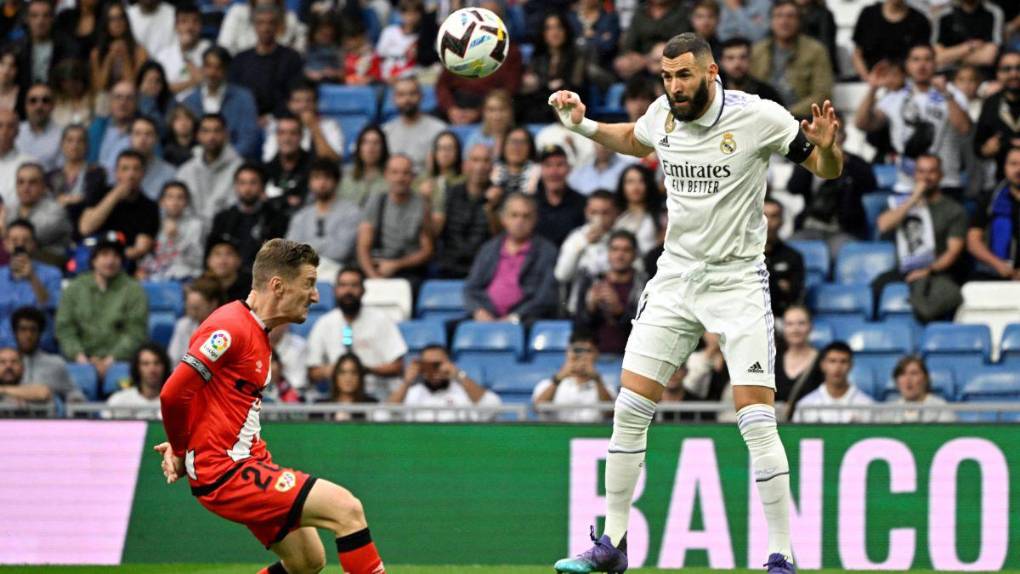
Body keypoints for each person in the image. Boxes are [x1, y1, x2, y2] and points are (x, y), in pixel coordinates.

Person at [548, 31, 843, 574]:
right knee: (629, 410)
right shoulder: (663, 112)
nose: (674, 87)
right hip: (676, 278)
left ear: (712, 73)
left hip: (737, 282)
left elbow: (826, 170)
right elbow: (635, 141)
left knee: (757, 421)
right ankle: (612, 546)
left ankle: (781, 555)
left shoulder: (760, 118)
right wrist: (582, 125)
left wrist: (825, 146)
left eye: (684, 75)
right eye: (667, 76)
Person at [155, 239, 388, 574]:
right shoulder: (230, 328)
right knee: (346, 509)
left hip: (243, 462)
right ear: (278, 285)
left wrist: (189, 444)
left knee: (307, 561)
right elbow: (173, 394)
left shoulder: (256, 332)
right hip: (226, 471)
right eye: (308, 283)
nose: (315, 295)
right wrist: (180, 447)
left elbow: (210, 397)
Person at [855, 44, 972, 196]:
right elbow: (863, 124)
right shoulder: (895, 96)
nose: (921, 65)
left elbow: (964, 128)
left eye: (927, 59)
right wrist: (873, 88)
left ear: (935, 63)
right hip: (906, 185)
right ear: (907, 65)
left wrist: (946, 94)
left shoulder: (953, 93)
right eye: (915, 60)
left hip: (946, 183)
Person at [872, 154, 967, 321]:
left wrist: (928, 270)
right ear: (914, 175)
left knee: (935, 300)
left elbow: (953, 252)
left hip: (936, 271)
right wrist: (914, 198)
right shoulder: (901, 203)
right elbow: (883, 225)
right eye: (921, 172)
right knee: (876, 287)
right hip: (904, 269)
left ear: (941, 175)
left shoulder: (953, 209)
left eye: (932, 172)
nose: (926, 177)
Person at [56, 234, 148, 379]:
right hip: (80, 360)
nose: (110, 261)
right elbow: (64, 328)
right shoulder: (75, 287)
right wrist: (81, 358)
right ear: (94, 259)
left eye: (116, 256)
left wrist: (110, 360)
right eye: (104, 255)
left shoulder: (133, 289)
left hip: (120, 362)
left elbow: (135, 332)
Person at [306, 267, 407, 397]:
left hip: (377, 397)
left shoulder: (381, 320)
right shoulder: (324, 323)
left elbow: (398, 367)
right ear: (335, 291)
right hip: (338, 399)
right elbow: (312, 372)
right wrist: (336, 371)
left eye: (354, 285)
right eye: (343, 285)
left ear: (363, 290)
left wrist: (366, 369)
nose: (348, 291)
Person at [464, 193, 559, 324]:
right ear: (504, 219)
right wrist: (478, 311)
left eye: (526, 216)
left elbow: (545, 296)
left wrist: (514, 318)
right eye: (514, 215)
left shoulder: (547, 251)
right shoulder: (489, 249)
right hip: (485, 317)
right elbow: (471, 288)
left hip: (525, 321)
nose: (519, 221)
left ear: (535, 220)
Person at [788, 121, 875, 251]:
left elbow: (871, 185)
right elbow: (793, 187)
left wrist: (844, 160)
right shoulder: (807, 161)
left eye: (833, 133)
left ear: (844, 136)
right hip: (810, 227)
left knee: (845, 254)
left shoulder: (855, 162)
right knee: (793, 251)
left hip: (843, 231)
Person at [355, 155, 434, 285]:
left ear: (413, 177)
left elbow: (427, 251)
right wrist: (374, 277)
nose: (400, 178)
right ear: (386, 175)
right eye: (395, 172)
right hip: (376, 266)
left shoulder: (421, 205)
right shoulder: (376, 201)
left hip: (408, 269)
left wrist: (396, 265)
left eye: (405, 173)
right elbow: (363, 247)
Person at [749, 0, 833, 118]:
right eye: (779, 16)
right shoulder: (757, 51)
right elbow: (748, 89)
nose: (784, 21)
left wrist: (786, 114)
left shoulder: (816, 50)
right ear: (771, 21)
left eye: (790, 16)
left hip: (800, 118)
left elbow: (822, 94)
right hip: (762, 118)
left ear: (799, 21)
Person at [433, 144, 501, 279]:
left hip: (486, 270)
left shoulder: (501, 195)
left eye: (486, 161)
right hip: (449, 267)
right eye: (475, 160)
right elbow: (435, 234)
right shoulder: (449, 193)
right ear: (465, 165)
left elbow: (503, 239)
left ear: (492, 167)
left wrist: (491, 209)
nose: (480, 166)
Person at [574, 230, 647, 356]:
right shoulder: (591, 282)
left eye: (626, 250)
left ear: (635, 254)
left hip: (631, 358)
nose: (620, 255)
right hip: (594, 358)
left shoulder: (645, 286)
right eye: (615, 249)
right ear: (608, 253)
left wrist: (620, 312)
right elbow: (578, 329)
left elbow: (646, 332)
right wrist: (590, 310)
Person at [80, 150, 160, 263]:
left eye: (136, 169)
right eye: (125, 169)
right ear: (116, 173)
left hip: (125, 262)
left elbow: (141, 247)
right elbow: (85, 228)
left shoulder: (150, 206)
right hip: (94, 256)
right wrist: (115, 196)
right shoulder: (100, 193)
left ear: (143, 173)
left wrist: (117, 256)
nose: (130, 175)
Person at [180, 47, 260, 160]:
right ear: (202, 68)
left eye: (218, 68)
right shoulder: (189, 101)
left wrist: (226, 159)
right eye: (208, 66)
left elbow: (249, 137)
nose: (212, 73)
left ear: (226, 70)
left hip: (234, 161)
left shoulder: (243, 98)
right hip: (197, 163)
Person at [388, 343, 502, 422]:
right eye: (428, 365)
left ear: (449, 363)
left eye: (437, 365)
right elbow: (385, 414)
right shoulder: (411, 393)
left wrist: (458, 375)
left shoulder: (463, 391)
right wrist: (407, 382)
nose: (434, 370)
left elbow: (493, 406)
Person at [228, 4, 304, 118]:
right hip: (246, 119)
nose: (266, 28)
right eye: (260, 23)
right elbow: (234, 95)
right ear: (254, 26)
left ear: (278, 26)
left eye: (271, 23)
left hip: (282, 120)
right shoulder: (240, 60)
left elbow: (294, 95)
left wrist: (271, 117)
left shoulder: (292, 58)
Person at [286, 158, 362, 269]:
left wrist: (306, 246)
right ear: (309, 182)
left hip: (339, 272)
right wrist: (326, 243)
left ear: (336, 181)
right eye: (316, 177)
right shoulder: (301, 216)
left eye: (327, 177)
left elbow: (341, 251)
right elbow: (290, 252)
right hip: (304, 273)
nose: (322, 183)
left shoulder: (351, 212)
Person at [208, 163, 289, 268]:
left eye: (253, 183)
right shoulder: (222, 218)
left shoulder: (277, 219)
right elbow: (210, 255)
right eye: (242, 183)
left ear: (262, 186)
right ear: (235, 186)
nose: (247, 188)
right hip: (228, 277)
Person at [555, 190, 622, 312]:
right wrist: (583, 243)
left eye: (605, 213)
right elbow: (562, 275)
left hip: (615, 307)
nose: (599, 218)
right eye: (594, 212)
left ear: (615, 213)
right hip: (580, 310)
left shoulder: (623, 238)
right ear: (586, 212)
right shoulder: (576, 237)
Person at [520, 12, 588, 125]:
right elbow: (529, 87)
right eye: (549, 28)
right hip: (539, 108)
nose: (554, 32)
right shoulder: (537, 58)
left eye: (559, 27)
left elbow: (576, 85)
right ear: (543, 33)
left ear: (566, 30)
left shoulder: (577, 56)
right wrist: (548, 86)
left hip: (568, 109)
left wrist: (544, 86)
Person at [0, 220, 62, 342]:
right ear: (5, 244)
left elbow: (52, 307)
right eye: (14, 240)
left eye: (25, 240)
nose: (20, 245)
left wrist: (32, 278)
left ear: (33, 244)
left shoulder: (52, 274)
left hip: (38, 345)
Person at [176, 113, 245, 223]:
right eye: (206, 131)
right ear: (198, 135)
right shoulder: (185, 171)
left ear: (225, 134)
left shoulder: (240, 169)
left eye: (217, 131)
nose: (211, 137)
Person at [533, 330, 615, 422]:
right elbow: (538, 409)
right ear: (567, 352)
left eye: (588, 351)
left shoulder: (607, 388)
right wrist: (559, 378)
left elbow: (610, 413)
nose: (582, 356)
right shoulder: (546, 384)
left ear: (596, 354)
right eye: (577, 350)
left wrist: (597, 379)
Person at [967, 146, 1020, 281]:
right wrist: (999, 265)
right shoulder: (990, 198)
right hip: (996, 271)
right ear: (1005, 167)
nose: (1018, 169)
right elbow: (973, 241)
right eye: (1013, 164)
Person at [9, 306, 82, 404]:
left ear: (40, 333)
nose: (28, 335)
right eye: (23, 329)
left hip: (46, 416)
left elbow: (74, 393)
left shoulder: (55, 364)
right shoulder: (5, 363)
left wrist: (74, 400)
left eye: (33, 330)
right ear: (15, 333)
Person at [262, 80, 344, 164]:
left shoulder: (329, 126)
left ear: (316, 103)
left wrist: (314, 127)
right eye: (297, 101)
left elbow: (333, 161)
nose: (303, 106)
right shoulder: (279, 126)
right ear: (289, 104)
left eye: (308, 101)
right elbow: (268, 160)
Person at [139, 181, 206, 281]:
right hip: (158, 276)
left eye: (180, 198)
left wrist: (176, 237)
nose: (175, 202)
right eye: (170, 197)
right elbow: (150, 255)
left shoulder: (196, 226)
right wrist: (143, 269)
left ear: (186, 202)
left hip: (186, 276)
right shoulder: (156, 223)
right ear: (161, 202)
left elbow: (196, 261)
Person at [791, 342, 873, 423]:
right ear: (823, 365)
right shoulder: (806, 405)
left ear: (851, 366)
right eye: (832, 361)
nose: (837, 367)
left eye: (843, 361)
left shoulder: (866, 404)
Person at [6, 163, 72, 265]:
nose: (25, 188)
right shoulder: (11, 209)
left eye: (32, 183)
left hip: (49, 263)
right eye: (21, 182)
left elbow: (28, 240)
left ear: (43, 186)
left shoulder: (56, 211)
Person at [851, 0, 932, 81]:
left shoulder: (919, 21)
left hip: (905, 82)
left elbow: (922, 57)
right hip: (868, 79)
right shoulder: (868, 14)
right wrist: (868, 79)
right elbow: (857, 55)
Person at [381, 77, 447, 172]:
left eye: (412, 94)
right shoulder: (385, 131)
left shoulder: (438, 129)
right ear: (394, 99)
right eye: (401, 95)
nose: (407, 99)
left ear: (421, 96)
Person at [613, 0, 692, 80]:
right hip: (641, 59)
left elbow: (679, 42)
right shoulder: (640, 12)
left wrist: (652, 58)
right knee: (621, 63)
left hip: (668, 56)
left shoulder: (681, 12)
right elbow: (629, 43)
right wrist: (640, 58)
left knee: (661, 51)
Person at [974, 51, 1020, 181]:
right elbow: (978, 147)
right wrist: (986, 149)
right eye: (1007, 69)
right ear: (998, 74)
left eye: (1018, 68)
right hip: (1003, 182)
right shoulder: (991, 103)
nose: (1014, 74)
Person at [89, 2, 148, 97]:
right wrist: (109, 58)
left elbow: (134, 85)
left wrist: (124, 56)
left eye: (120, 18)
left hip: (131, 98)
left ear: (126, 21)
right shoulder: (96, 53)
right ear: (106, 23)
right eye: (112, 19)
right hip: (105, 98)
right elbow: (99, 88)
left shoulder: (140, 51)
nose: (117, 23)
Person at [13, 0, 75, 91]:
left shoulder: (67, 47)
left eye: (45, 16)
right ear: (27, 19)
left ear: (53, 19)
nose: (40, 21)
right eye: (34, 16)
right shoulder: (16, 48)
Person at [534, 145, 586, 247]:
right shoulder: (530, 204)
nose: (553, 172)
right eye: (548, 165)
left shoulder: (583, 203)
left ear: (569, 169)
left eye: (559, 165)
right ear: (541, 170)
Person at [774, 305, 823, 414]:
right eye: (789, 324)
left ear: (811, 327)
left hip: (812, 426)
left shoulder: (823, 361)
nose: (795, 329)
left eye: (801, 323)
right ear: (783, 328)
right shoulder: (773, 361)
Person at [155, 2, 210, 97]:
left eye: (195, 21)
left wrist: (186, 55)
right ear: (176, 26)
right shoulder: (163, 56)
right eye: (184, 22)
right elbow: (160, 89)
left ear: (201, 25)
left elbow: (207, 83)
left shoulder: (210, 49)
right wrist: (193, 82)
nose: (190, 27)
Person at [762, 198, 805, 317]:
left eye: (774, 216)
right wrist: (779, 284)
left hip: (779, 318)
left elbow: (794, 296)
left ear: (781, 221)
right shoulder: (742, 255)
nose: (768, 222)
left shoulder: (793, 257)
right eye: (763, 216)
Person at [105, 342, 170, 419]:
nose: (152, 369)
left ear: (165, 367)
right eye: (145, 364)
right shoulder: (118, 400)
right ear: (137, 368)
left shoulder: (173, 402)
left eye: (157, 363)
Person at [882, 355, 956, 423]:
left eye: (914, 373)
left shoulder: (941, 409)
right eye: (902, 374)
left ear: (925, 379)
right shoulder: (889, 411)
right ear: (897, 381)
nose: (908, 380)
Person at [167, 275, 225, 362]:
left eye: (196, 308)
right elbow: (173, 359)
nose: (191, 313)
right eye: (189, 307)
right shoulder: (183, 324)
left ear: (213, 304)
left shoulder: (224, 331)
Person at [217, 0, 306, 56]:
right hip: (241, 72)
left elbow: (298, 53)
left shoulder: (289, 19)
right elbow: (224, 48)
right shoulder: (237, 12)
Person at [47, 124, 104, 211]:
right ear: (62, 144)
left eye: (80, 141)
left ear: (87, 145)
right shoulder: (50, 175)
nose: (75, 145)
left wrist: (63, 199)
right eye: (70, 140)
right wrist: (75, 199)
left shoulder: (96, 173)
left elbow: (90, 201)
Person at [933, 0, 1003, 69]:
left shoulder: (993, 13)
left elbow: (987, 58)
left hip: (981, 72)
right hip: (949, 72)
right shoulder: (943, 15)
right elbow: (938, 57)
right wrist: (969, 47)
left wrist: (950, 56)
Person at [263, 114, 312, 212]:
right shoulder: (266, 169)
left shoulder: (313, 168)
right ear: (276, 136)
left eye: (293, 133)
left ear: (301, 136)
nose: (287, 139)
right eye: (282, 133)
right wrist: (287, 200)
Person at [90, 80, 137, 180]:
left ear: (136, 103)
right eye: (118, 97)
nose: (123, 102)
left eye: (129, 98)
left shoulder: (143, 129)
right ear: (111, 101)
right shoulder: (98, 127)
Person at [718, 37, 784, 104]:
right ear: (721, 62)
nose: (737, 64)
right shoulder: (714, 94)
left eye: (743, 57)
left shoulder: (767, 95)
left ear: (750, 60)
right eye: (730, 58)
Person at [613, 164, 660, 255]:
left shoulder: (660, 217)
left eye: (641, 181)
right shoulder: (618, 219)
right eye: (630, 182)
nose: (636, 187)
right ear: (622, 186)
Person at [415, 130, 464, 216]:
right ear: (434, 152)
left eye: (450, 148)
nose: (445, 153)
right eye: (440, 148)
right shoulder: (422, 179)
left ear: (457, 152)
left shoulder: (464, 179)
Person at [340, 125, 389, 207]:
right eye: (366, 142)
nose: (371, 147)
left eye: (376, 143)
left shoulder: (392, 176)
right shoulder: (344, 174)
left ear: (383, 148)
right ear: (359, 147)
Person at [320, 352, 378, 422]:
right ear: (335, 377)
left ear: (360, 377)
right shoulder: (320, 407)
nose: (348, 378)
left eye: (354, 372)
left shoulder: (373, 405)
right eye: (342, 372)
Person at [130, 116, 177, 201]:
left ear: (156, 139)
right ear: (130, 138)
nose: (142, 139)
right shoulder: (119, 169)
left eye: (148, 134)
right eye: (137, 134)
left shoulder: (170, 173)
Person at [16, 83, 60, 171]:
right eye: (33, 100)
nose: (39, 106)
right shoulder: (14, 131)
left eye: (45, 101)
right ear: (26, 105)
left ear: (53, 106)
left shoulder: (62, 136)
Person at [375, 0, 422, 81]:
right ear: (401, 14)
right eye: (407, 13)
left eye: (415, 13)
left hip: (410, 77)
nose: (411, 17)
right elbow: (379, 55)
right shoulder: (389, 31)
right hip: (387, 75)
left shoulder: (421, 36)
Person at [568, 143, 636, 196]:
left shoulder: (628, 169)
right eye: (597, 140)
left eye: (606, 140)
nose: (602, 146)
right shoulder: (580, 171)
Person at [0, 346, 53, 413]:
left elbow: (44, 393)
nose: (8, 366)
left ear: (23, 369)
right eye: (2, 362)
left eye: (14, 362)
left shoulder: (29, 387)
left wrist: (3, 390)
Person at [0, 108, 35, 209]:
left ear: (18, 131)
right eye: (0, 125)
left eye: (10, 126)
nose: (4, 131)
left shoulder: (30, 163)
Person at [491, 126, 540, 196]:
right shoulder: (490, 170)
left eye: (523, 142)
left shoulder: (540, 174)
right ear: (504, 146)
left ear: (530, 148)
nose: (517, 147)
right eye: (513, 141)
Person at [204, 234, 252, 302]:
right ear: (208, 260)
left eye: (229, 253)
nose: (223, 259)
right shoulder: (201, 289)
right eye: (217, 254)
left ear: (239, 260)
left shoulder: (252, 288)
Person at [50, 58, 95, 128]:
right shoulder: (54, 103)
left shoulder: (93, 101)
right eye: (65, 82)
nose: (71, 86)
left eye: (75, 80)